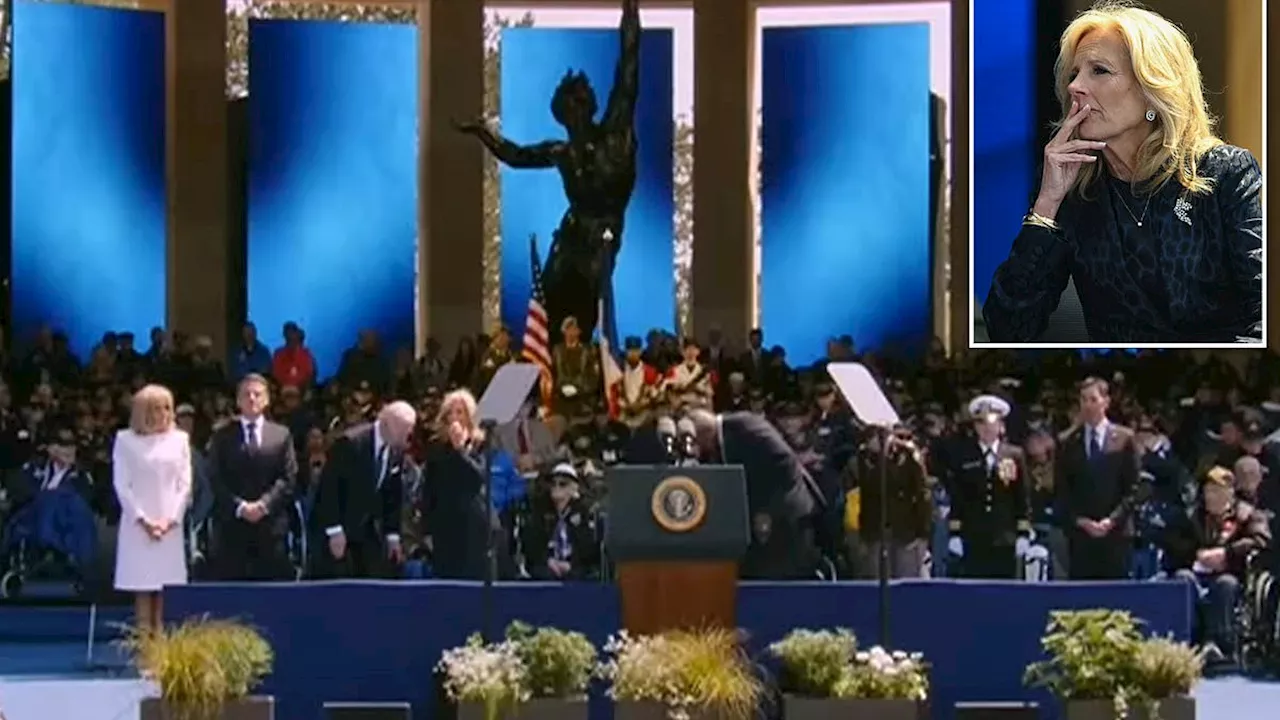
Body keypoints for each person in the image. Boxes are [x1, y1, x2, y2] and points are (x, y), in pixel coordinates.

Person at [983, 3, 1262, 343]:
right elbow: (1008, 330)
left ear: (1152, 92)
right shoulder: (1069, 188)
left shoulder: (1226, 174)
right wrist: (1046, 205)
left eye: (1099, 70)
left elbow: (1264, 318)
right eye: (1074, 74)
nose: (1075, 87)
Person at [683, 409, 826, 571]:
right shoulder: (725, 437)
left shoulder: (744, 427)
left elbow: (783, 462)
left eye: (699, 443)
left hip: (786, 517)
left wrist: (761, 509)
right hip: (762, 526)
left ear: (705, 434)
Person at [1164, 466, 1271, 665]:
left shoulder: (1247, 515)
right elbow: (1172, 540)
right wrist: (1197, 553)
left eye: (1218, 492)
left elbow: (1260, 540)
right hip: (1196, 572)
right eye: (1209, 491)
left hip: (1229, 573)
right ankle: (1189, 639)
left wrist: (1227, 553)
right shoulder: (1191, 515)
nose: (1212, 497)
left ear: (1230, 493)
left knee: (1225, 584)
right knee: (1182, 579)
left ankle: (1218, 642)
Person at [112, 385, 191, 634]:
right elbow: (122, 485)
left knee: (165, 589)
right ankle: (144, 650)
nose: (165, 414)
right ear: (143, 412)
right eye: (157, 408)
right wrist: (144, 521)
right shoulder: (125, 441)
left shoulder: (180, 440)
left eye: (168, 408)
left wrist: (170, 520)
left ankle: (162, 652)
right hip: (138, 527)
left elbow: (185, 484)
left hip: (169, 527)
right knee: (143, 587)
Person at [206, 374, 298, 580]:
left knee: (271, 594)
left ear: (266, 400)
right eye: (246, 394)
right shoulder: (222, 436)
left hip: (270, 527)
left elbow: (288, 477)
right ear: (238, 401)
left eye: (257, 394)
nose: (252, 399)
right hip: (232, 528)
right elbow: (215, 477)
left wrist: (263, 505)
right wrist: (239, 507)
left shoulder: (281, 435)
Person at [313, 401, 416, 578]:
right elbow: (329, 488)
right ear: (388, 423)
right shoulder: (351, 443)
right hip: (339, 526)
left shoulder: (396, 450)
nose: (408, 434)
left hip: (367, 529)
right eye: (404, 428)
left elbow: (392, 495)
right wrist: (335, 531)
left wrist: (392, 536)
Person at [420, 390, 512, 580]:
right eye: (450, 413)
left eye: (460, 412)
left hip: (475, 527)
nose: (454, 417)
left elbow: (477, 477)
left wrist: (460, 449)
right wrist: (427, 530)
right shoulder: (436, 448)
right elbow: (429, 491)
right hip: (446, 527)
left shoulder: (481, 445)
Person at [1056, 377, 1139, 579]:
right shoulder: (1067, 441)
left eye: (1093, 399)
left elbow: (1133, 488)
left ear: (1106, 402)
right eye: (1084, 400)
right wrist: (1080, 521)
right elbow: (1062, 490)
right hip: (1081, 537)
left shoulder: (1124, 438)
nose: (1088, 405)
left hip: (1116, 535)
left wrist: (1111, 520)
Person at [944, 395, 1032, 579]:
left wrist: (1023, 533)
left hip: (1005, 537)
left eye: (991, 422)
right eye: (980, 422)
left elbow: (1022, 496)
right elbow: (958, 497)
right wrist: (955, 533)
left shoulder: (1014, 454)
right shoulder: (964, 455)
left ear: (1001, 425)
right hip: (974, 536)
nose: (986, 427)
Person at [519, 463, 599, 580]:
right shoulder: (540, 510)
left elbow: (588, 549)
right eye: (553, 483)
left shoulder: (583, 513)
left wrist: (570, 564)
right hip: (546, 566)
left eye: (562, 484)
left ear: (573, 488)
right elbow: (531, 545)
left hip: (575, 567)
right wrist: (548, 561)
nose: (556, 487)